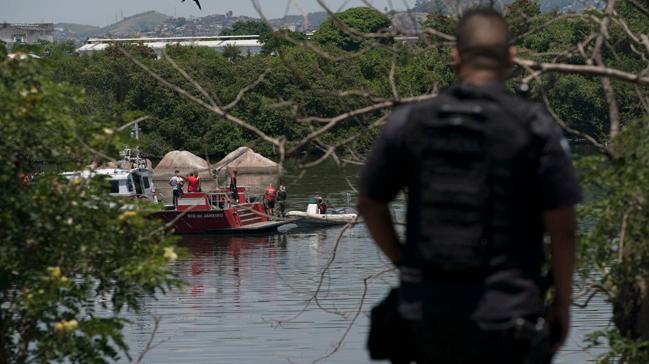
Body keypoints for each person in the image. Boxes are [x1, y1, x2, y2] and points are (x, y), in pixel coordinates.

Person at [357, 8, 581, 364]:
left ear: (455, 57)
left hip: (426, 316)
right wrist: (563, 304)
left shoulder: (408, 123)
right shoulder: (536, 127)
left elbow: (369, 206)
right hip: (509, 316)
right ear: (511, 58)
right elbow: (564, 229)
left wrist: (406, 264)